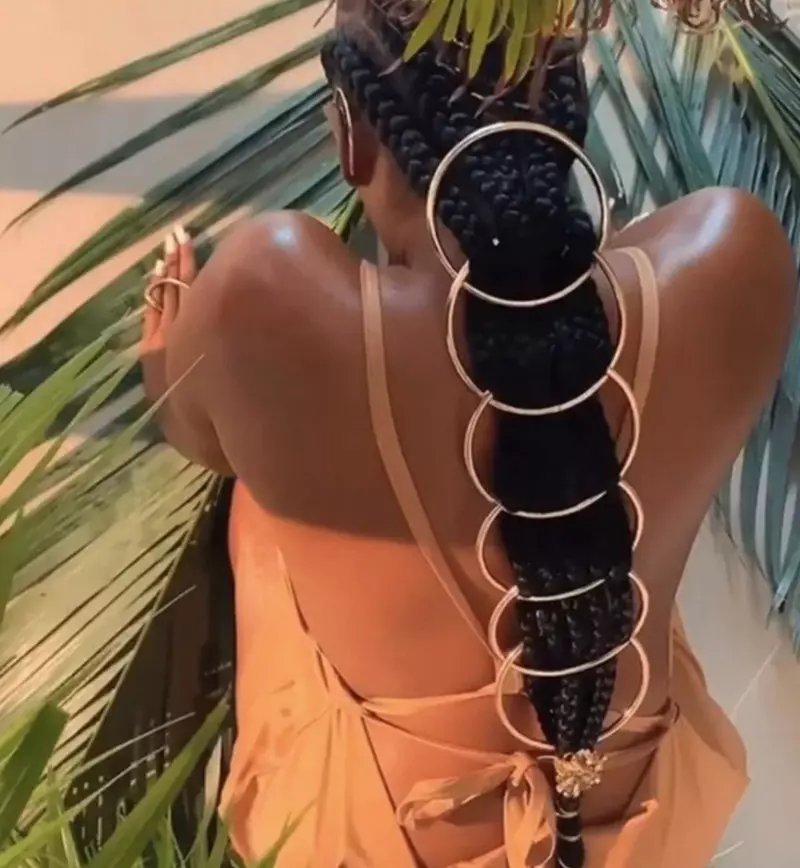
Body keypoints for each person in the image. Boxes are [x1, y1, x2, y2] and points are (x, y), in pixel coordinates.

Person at [139, 2, 794, 866]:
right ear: (567, 109)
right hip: (643, 816)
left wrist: (169, 351)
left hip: (375, 838)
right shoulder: (735, 253)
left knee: (259, 503)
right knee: (577, 492)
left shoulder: (262, 296)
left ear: (350, 136)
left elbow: (193, 433)